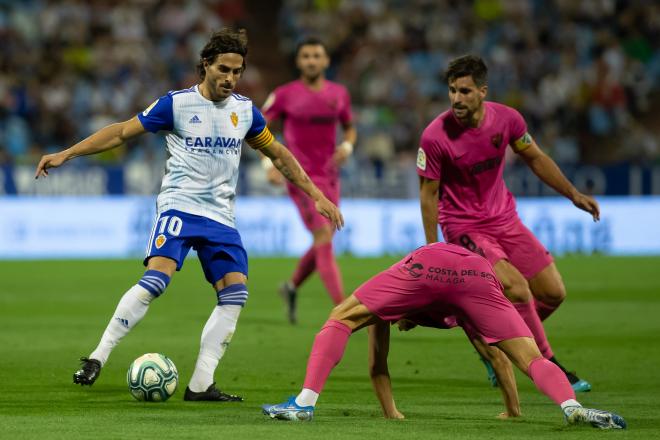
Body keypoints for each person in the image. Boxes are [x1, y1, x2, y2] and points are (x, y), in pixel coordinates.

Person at [34, 28, 343, 401]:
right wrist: (66, 153)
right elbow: (119, 133)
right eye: (223, 69)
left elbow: (277, 154)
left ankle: (200, 384)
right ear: (205, 66)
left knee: (235, 294)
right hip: (179, 206)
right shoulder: (176, 105)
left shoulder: (244, 112)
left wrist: (316, 196)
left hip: (221, 217)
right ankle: (98, 356)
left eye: (237, 71)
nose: (230, 78)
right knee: (156, 281)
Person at [261, 243, 626, 429]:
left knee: (339, 317)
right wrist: (513, 410)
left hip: (426, 263)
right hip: (476, 272)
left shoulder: (394, 296)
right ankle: (573, 409)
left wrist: (392, 414)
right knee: (533, 357)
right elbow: (496, 354)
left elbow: (377, 364)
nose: (402, 325)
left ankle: (304, 404)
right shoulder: (462, 313)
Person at [417, 55, 597, 391]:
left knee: (553, 292)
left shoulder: (507, 120)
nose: (457, 98)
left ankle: (489, 337)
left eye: (465, 91)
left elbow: (535, 158)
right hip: (464, 228)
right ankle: (549, 364)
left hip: (505, 219)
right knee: (516, 288)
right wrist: (432, 248)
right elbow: (428, 194)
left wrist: (573, 194)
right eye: (452, 91)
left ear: (483, 91)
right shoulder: (435, 137)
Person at [261, 37, 357, 324]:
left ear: (326, 61)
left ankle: (291, 287)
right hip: (299, 177)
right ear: (298, 61)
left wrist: (347, 147)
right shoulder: (284, 94)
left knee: (323, 239)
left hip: (330, 176)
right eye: (306, 56)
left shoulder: (339, 94)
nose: (311, 61)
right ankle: (344, 310)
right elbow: (257, 129)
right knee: (324, 236)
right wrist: (269, 162)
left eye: (317, 55)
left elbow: (350, 128)